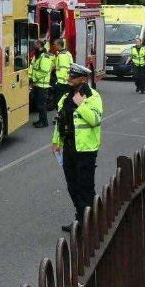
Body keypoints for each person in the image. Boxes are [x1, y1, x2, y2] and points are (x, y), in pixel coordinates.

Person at [51, 63, 102, 232]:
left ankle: (90, 222)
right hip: (69, 148)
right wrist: (56, 142)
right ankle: (81, 218)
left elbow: (95, 120)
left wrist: (81, 105)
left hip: (86, 150)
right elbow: (60, 121)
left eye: (73, 76)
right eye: (69, 75)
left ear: (83, 79)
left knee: (85, 187)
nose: (69, 78)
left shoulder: (93, 97)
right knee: (72, 185)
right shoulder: (65, 97)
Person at [29, 40, 55, 128]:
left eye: (36, 44)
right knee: (39, 104)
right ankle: (41, 120)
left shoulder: (45, 57)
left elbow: (43, 72)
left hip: (42, 85)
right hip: (38, 85)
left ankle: (44, 122)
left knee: (41, 105)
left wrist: (33, 78)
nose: (34, 46)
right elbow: (33, 67)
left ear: (40, 45)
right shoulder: (38, 55)